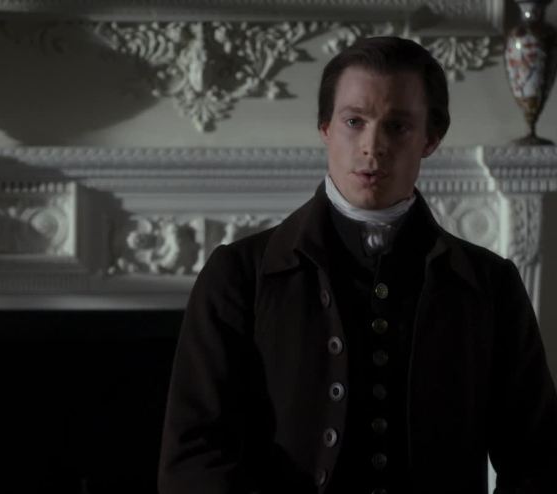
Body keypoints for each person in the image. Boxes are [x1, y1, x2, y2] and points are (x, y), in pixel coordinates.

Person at [157, 36, 557, 494]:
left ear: (430, 138)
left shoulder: (490, 284)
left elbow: (540, 460)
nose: (373, 146)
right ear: (326, 127)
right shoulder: (238, 274)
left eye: (398, 126)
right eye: (354, 121)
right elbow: (193, 459)